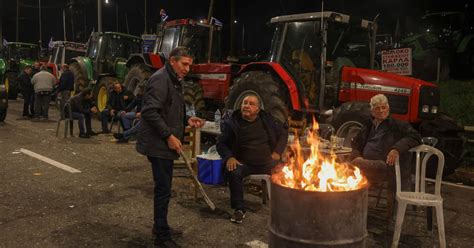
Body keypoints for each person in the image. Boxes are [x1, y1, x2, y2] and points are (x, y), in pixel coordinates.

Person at [136, 47, 205, 248]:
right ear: (172, 61)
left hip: (162, 142)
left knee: (164, 188)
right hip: (158, 144)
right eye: (184, 64)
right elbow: (149, 111)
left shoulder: (174, 80)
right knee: (163, 189)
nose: (187, 68)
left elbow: (169, 109)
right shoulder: (160, 79)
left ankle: (160, 227)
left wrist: (186, 119)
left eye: (190, 65)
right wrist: (168, 136)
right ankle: (161, 236)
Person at [216, 94, 288, 224]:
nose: (247, 106)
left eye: (251, 104)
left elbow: (283, 133)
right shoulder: (232, 123)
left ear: (258, 109)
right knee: (234, 172)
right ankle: (239, 209)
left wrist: (277, 152)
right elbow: (221, 144)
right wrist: (229, 157)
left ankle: (284, 206)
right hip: (244, 164)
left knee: (287, 171)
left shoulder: (267, 120)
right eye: (245, 103)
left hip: (267, 163)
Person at [350, 94, 421, 191]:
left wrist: (396, 149)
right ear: (372, 111)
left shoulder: (396, 125)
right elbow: (356, 143)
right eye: (377, 108)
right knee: (339, 162)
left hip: (383, 165)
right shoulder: (368, 125)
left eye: (383, 107)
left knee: (349, 166)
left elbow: (415, 136)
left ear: (388, 108)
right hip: (364, 162)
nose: (381, 111)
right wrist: (357, 156)